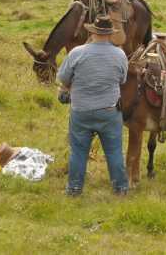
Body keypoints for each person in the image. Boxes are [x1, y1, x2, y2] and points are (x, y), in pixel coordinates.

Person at [56, 15, 129, 196]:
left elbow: (63, 79)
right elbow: (122, 79)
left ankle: (74, 189)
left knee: (79, 152)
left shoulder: (76, 53)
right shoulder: (120, 54)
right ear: (111, 34)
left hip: (81, 110)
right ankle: (120, 189)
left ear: (92, 32)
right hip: (109, 110)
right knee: (114, 152)